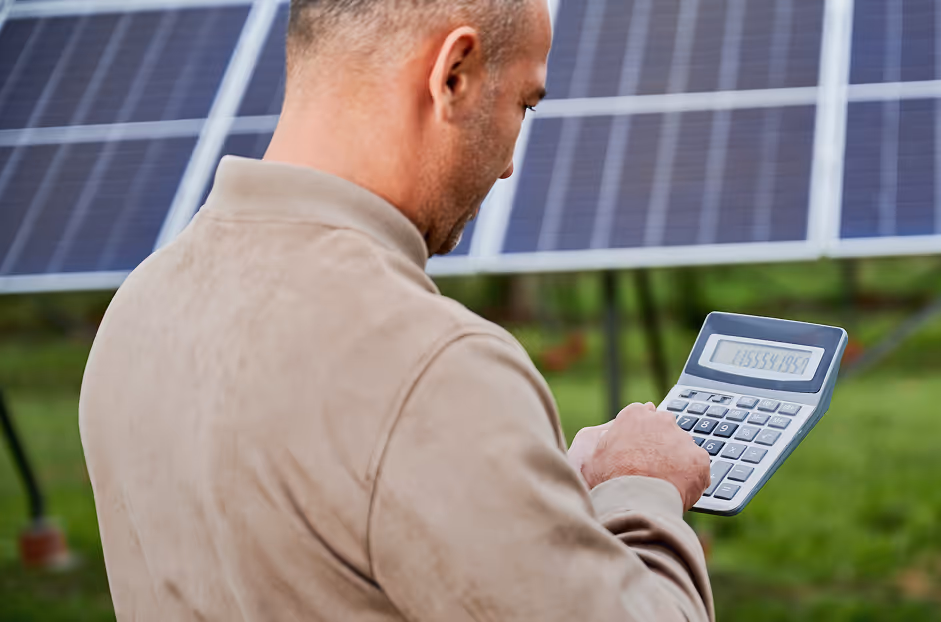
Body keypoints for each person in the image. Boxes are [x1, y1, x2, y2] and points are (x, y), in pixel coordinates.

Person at [78, 0, 714, 619]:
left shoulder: (141, 304)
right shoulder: (434, 366)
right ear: (453, 75)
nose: (510, 165)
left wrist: (530, 499)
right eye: (523, 103)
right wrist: (640, 487)